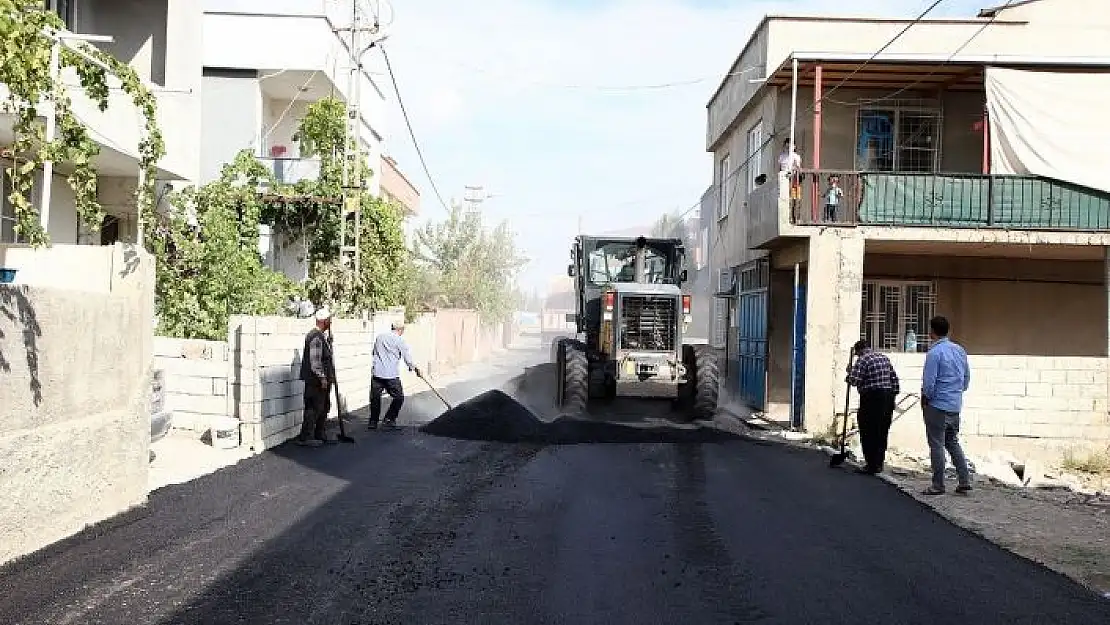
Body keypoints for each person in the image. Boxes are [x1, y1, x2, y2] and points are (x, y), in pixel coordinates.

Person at [921, 315, 973, 495]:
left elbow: (929, 383)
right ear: (948, 330)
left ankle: (938, 484)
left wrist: (926, 399)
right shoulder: (959, 350)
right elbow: (966, 380)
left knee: (936, 444)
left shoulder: (934, 353)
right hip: (954, 405)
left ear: (931, 332)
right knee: (952, 442)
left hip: (937, 405)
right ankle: (964, 479)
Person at [846, 338, 899, 475]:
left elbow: (854, 380)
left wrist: (849, 373)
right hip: (887, 397)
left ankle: (870, 464)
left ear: (858, 351)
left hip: (871, 398)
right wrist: (891, 397)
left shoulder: (862, 360)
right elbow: (894, 380)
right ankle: (879, 464)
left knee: (868, 430)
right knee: (882, 431)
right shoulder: (883, 358)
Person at [369, 321, 420, 430]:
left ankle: (373, 421)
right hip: (391, 375)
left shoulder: (379, 337)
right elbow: (407, 357)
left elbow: (373, 352)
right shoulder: (400, 340)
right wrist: (414, 368)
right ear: (400, 330)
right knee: (399, 397)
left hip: (377, 374)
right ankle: (389, 419)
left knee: (375, 398)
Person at [296, 307, 335, 447]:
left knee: (323, 407)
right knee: (313, 408)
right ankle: (306, 437)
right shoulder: (316, 338)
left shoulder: (321, 337)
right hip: (316, 381)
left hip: (320, 381)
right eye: (329, 320)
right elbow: (315, 361)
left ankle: (320, 434)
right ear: (324, 321)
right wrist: (323, 378)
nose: (330, 323)